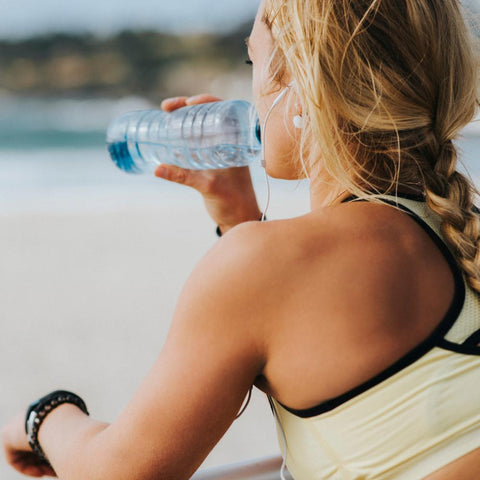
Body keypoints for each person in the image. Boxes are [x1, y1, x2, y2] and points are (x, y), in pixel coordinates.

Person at [3, 0, 480, 478]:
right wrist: (239, 219)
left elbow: (113, 474)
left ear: (301, 83)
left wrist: (44, 417)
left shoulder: (262, 265)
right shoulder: (465, 232)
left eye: (254, 61)